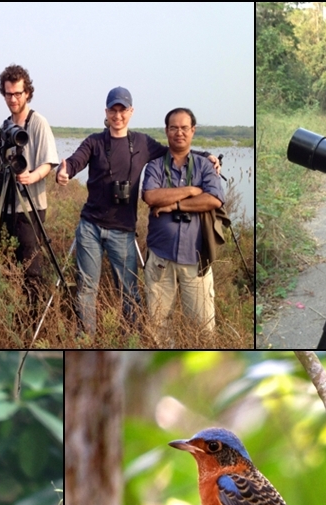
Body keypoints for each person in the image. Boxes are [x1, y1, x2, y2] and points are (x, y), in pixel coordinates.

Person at [56, 87, 218, 338]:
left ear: (131, 112)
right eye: (113, 110)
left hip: (122, 230)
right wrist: (64, 172)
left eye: (123, 110)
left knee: (128, 290)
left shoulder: (141, 142)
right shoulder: (94, 142)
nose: (118, 115)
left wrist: (206, 156)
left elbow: (174, 150)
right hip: (90, 226)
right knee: (87, 287)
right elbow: (75, 161)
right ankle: (85, 338)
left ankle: (129, 339)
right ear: (106, 112)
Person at [141, 108, 225, 337]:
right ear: (166, 131)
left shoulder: (205, 165)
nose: (179, 132)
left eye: (184, 128)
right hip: (160, 257)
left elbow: (214, 199)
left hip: (196, 258)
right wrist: (189, 190)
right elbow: (151, 196)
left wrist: (174, 205)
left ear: (193, 131)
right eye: (174, 128)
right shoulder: (156, 165)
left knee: (202, 330)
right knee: (158, 328)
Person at [0, 65, 59, 306]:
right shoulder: (6, 126)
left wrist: (33, 176)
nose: (13, 99)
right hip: (8, 207)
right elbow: (0, 172)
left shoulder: (38, 122)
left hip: (31, 207)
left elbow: (49, 161)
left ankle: (32, 317)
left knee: (31, 267)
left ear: (27, 92)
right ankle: (12, 312)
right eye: (8, 94)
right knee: (8, 265)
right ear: (3, 94)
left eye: (18, 93)